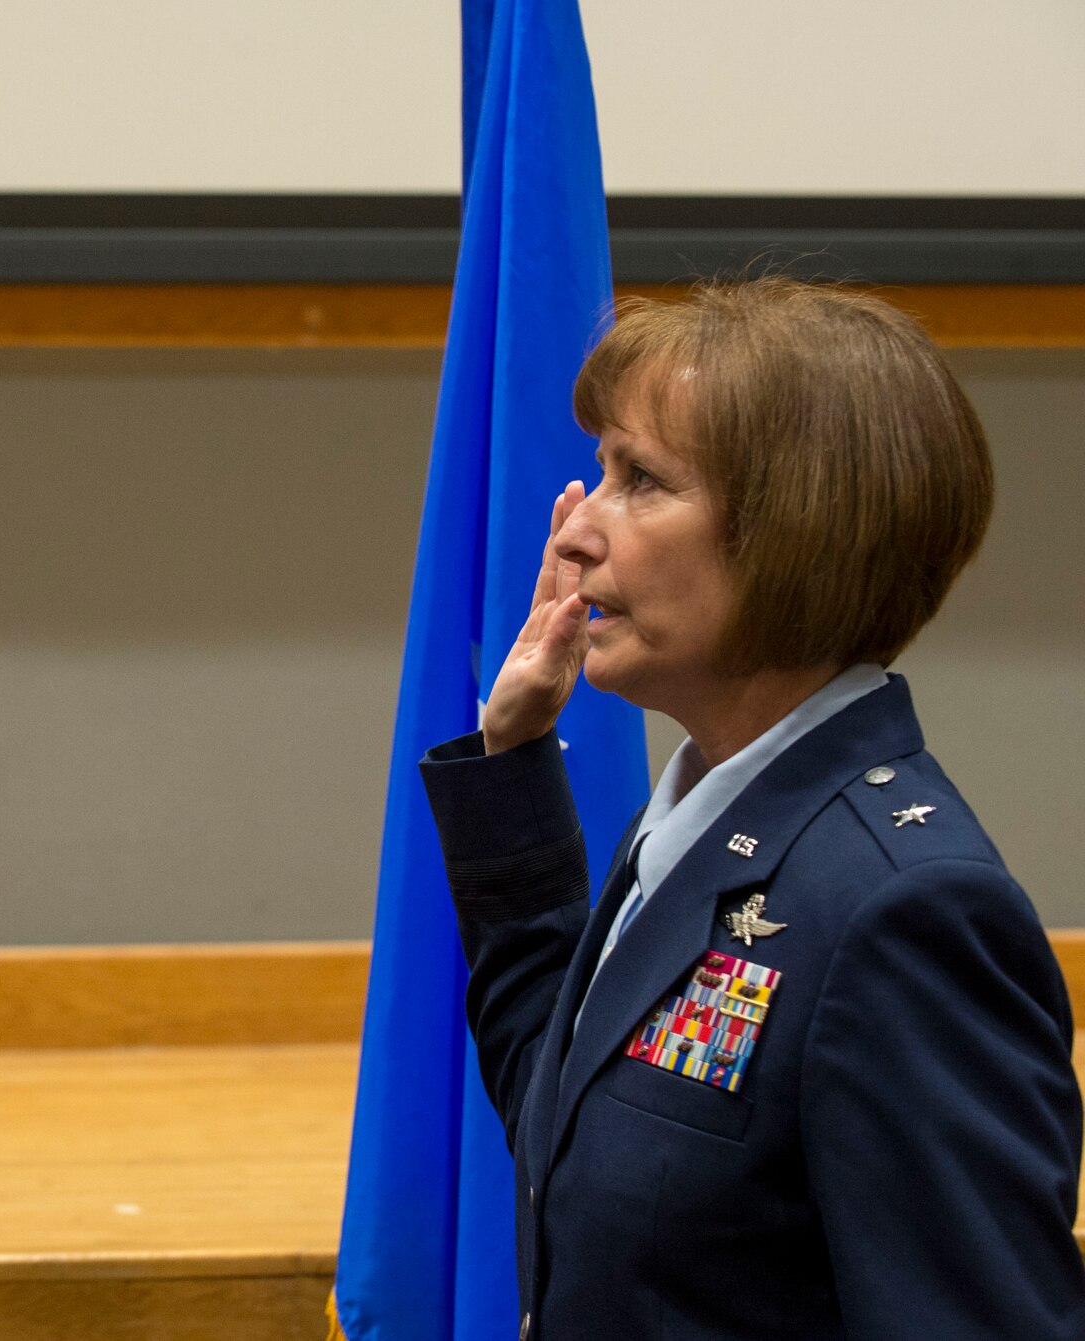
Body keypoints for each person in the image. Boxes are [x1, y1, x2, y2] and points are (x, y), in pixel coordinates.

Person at [421, 278, 1085, 1339]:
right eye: (600, 470)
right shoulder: (706, 816)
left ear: (795, 534)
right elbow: (565, 1127)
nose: (576, 530)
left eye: (640, 481)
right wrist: (510, 763)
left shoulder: (903, 913)